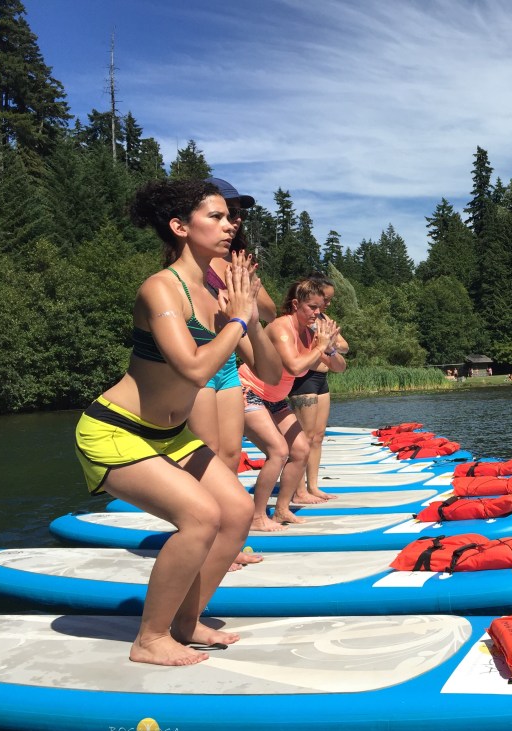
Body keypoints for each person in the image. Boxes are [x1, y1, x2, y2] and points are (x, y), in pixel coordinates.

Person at [74, 179, 267, 666]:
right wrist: (237, 322)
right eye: (217, 217)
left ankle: (186, 620)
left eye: (231, 217)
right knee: (200, 517)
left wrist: (248, 317)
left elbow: (267, 373)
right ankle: (151, 638)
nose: (230, 225)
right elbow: (195, 369)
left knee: (237, 514)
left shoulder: (213, 291)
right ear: (181, 227)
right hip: (115, 430)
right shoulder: (162, 287)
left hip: (170, 435)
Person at [182, 178, 282, 569]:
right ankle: (207, 538)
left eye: (237, 214)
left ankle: (228, 538)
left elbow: (267, 312)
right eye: (226, 212)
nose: (235, 221)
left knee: (231, 454)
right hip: (202, 364)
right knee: (208, 457)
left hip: (227, 366)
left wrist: (244, 291)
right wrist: (237, 294)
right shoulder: (203, 261)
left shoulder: (232, 261)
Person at [239, 277, 346, 530]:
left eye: (320, 308)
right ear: (296, 304)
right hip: (249, 392)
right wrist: (319, 347)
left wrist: (329, 349)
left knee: (300, 449)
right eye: (312, 307)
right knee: (278, 452)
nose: (317, 313)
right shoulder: (281, 327)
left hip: (275, 400)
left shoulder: (311, 335)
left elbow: (340, 367)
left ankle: (281, 510)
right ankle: (256, 517)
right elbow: (294, 365)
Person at [287, 275, 349, 501]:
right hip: (305, 379)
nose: (328, 303)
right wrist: (326, 343)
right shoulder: (301, 319)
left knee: (318, 436)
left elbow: (344, 346)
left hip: (322, 380)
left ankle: (312, 486)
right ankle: (297, 490)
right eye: (326, 299)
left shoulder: (324, 318)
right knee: (304, 437)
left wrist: (331, 344)